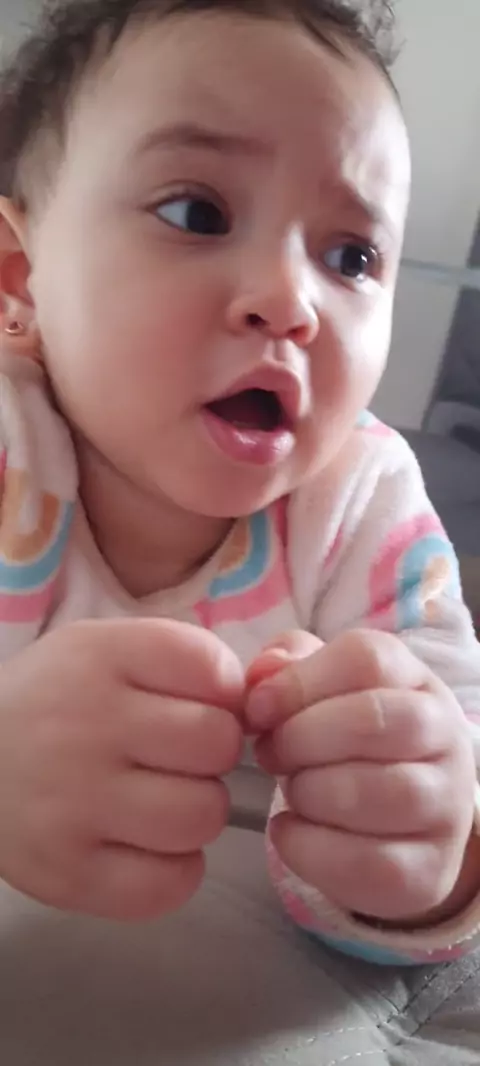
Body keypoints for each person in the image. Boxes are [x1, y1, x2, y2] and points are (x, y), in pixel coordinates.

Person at [0, 0, 478, 968]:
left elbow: (457, 772)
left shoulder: (363, 501)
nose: (291, 301)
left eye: (351, 257)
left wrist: (430, 854)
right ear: (19, 280)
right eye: (197, 213)